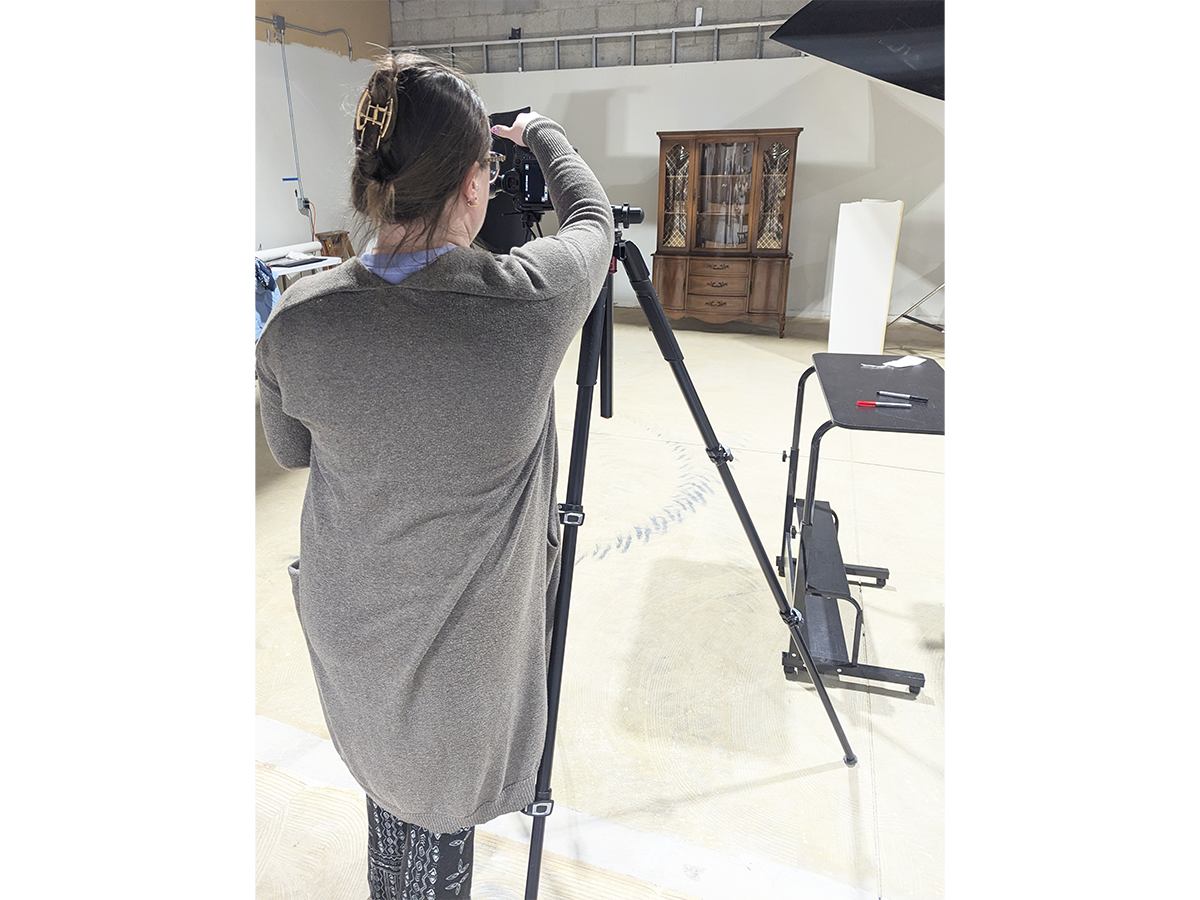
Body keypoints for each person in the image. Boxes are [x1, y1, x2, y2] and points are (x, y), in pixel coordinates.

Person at [254, 52, 613, 899]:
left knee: (393, 790)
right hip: (458, 661)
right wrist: (539, 133)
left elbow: (290, 451)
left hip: (354, 626)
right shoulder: (526, 306)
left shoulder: (297, 322)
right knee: (432, 817)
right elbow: (593, 220)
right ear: (473, 186)